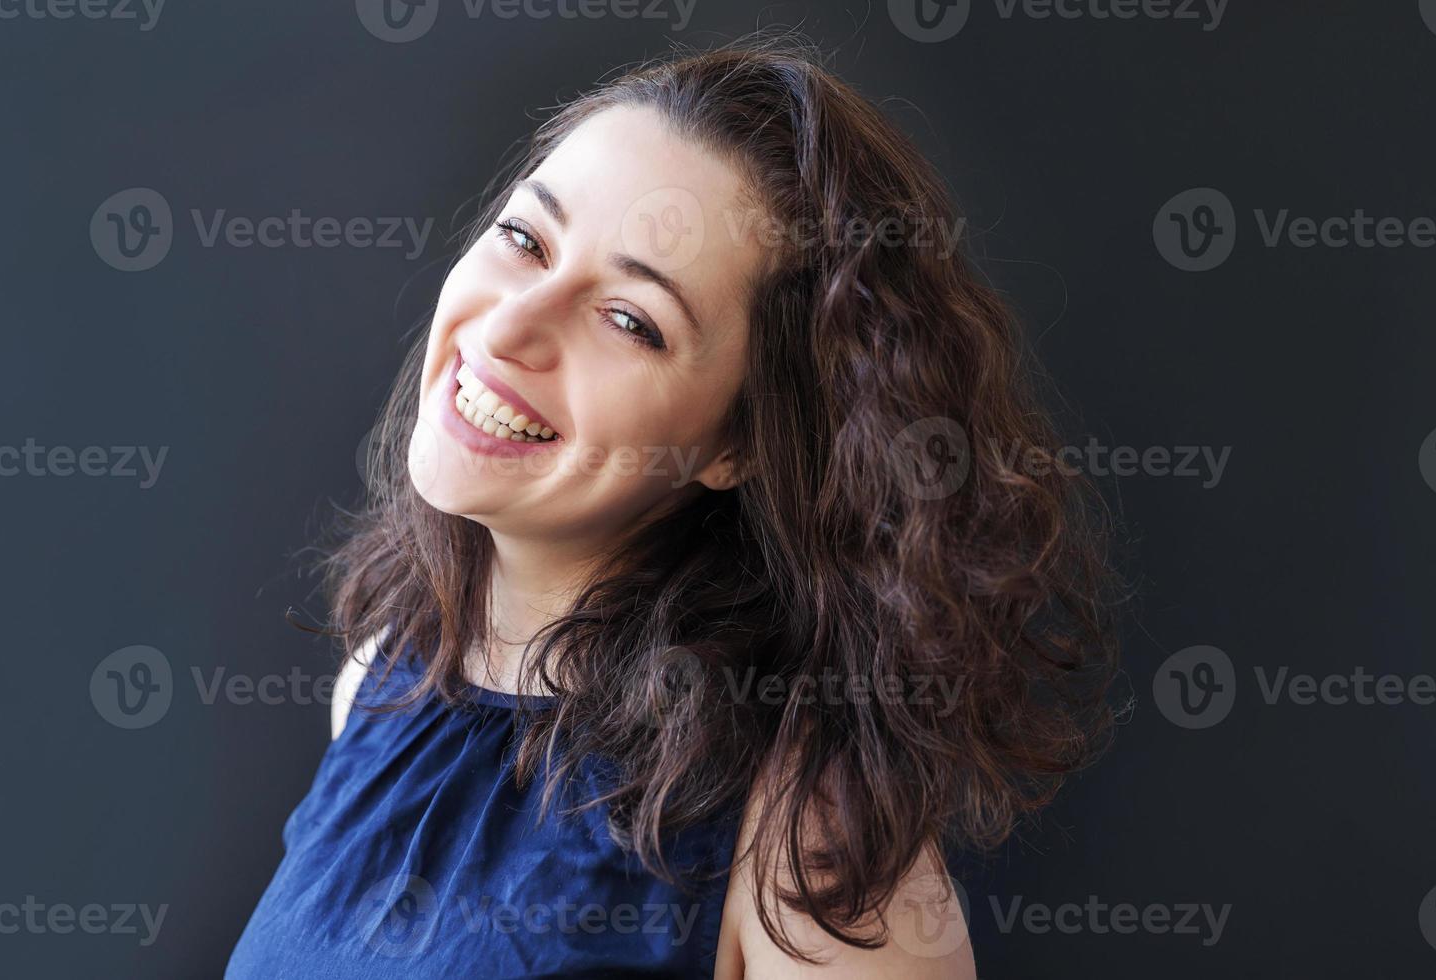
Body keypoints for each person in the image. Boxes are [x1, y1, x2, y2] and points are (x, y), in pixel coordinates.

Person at [227, 34, 1120, 979]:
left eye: (630, 321)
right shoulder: (383, 678)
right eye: (525, 239)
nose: (510, 326)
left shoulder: (807, 852)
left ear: (739, 443)